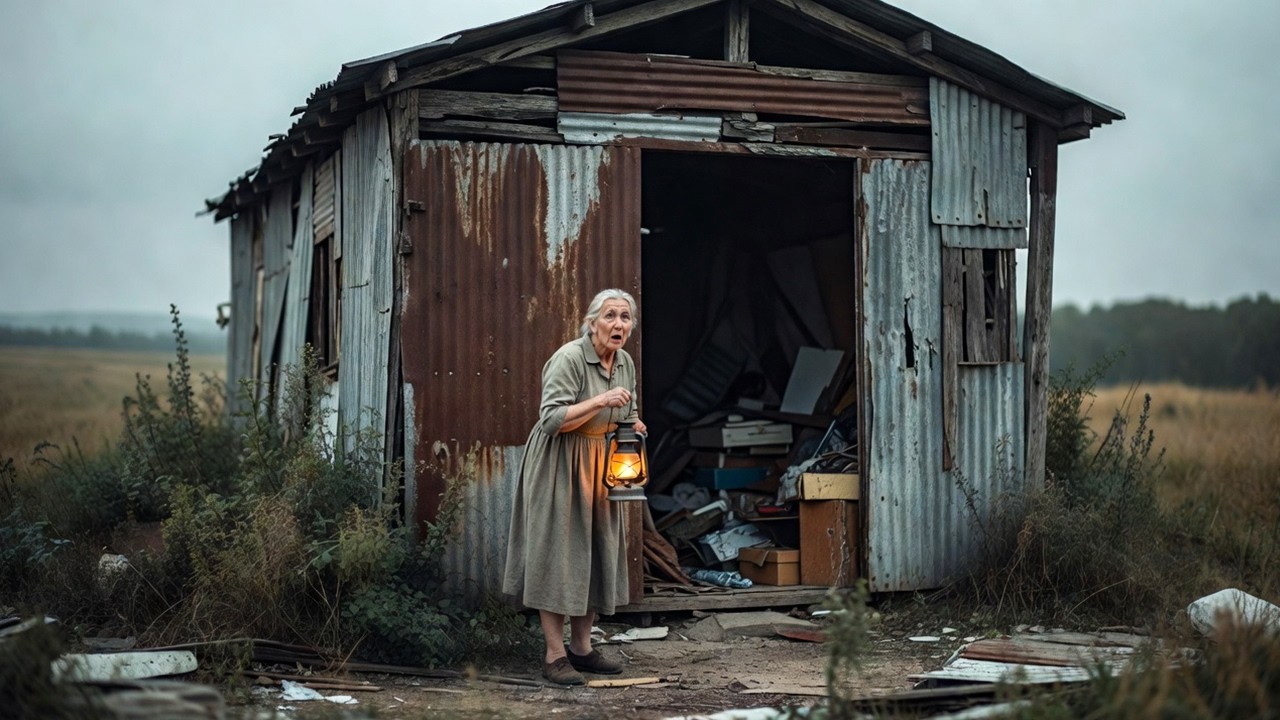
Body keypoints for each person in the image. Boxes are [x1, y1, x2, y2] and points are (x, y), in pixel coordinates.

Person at [502, 288, 646, 686]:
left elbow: (627, 410)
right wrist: (600, 401)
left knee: (597, 554)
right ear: (592, 322)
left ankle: (582, 649)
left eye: (625, 318)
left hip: (601, 467)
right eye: (610, 316)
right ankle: (554, 656)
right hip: (559, 465)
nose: (619, 325)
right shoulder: (569, 358)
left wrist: (632, 424)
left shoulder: (625, 363)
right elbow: (552, 420)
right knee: (559, 556)